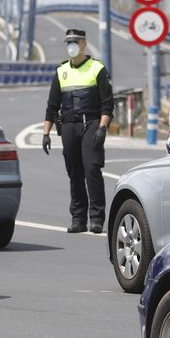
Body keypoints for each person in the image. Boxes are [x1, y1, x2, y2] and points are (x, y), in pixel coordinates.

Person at [41, 28, 114, 234]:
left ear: (84, 44)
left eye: (75, 42)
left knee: (91, 168)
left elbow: (108, 104)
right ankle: (78, 219)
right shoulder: (61, 72)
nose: (71, 46)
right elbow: (52, 106)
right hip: (68, 126)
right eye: (68, 43)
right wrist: (46, 133)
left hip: (91, 123)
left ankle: (97, 218)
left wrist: (102, 127)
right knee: (74, 172)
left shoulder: (97, 69)